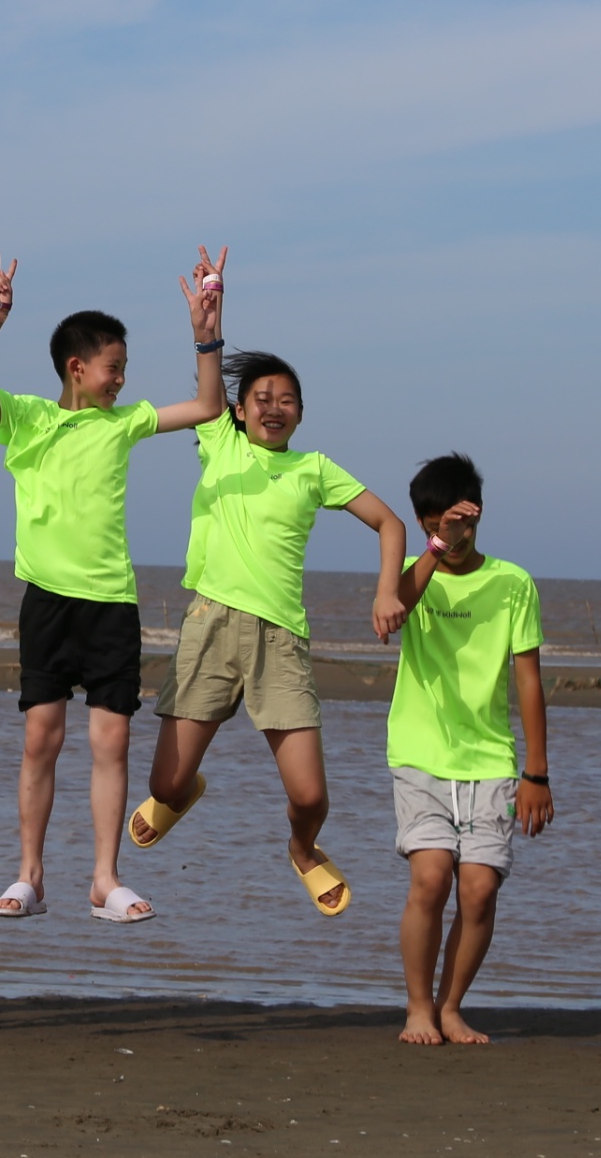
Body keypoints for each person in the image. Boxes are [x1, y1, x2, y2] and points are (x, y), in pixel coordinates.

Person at [0, 247, 228, 924]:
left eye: (125, 369)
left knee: (112, 744)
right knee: (41, 740)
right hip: (48, 603)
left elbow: (207, 405)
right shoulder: (28, 419)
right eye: (114, 367)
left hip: (112, 605)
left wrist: (206, 332)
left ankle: (105, 879)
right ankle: (30, 874)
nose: (121, 380)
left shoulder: (124, 422)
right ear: (77, 368)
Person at [130, 349, 406, 919]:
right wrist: (207, 334)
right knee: (166, 788)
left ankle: (302, 849)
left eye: (286, 401)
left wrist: (387, 592)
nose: (274, 409)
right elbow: (209, 386)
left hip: (280, 641)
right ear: (239, 410)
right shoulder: (221, 443)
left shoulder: (314, 468)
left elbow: (390, 523)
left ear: (301, 412)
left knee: (310, 796)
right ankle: (182, 793)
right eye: (262, 399)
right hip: (210, 628)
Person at [374, 454, 548, 1046]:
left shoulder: (512, 583)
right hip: (419, 752)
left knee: (478, 889)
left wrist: (537, 773)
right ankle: (417, 1008)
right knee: (431, 878)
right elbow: (392, 612)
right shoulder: (412, 573)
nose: (452, 538)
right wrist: (434, 546)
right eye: (436, 526)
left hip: (490, 759)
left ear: (478, 515)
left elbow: (529, 680)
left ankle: (450, 1007)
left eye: (460, 526)